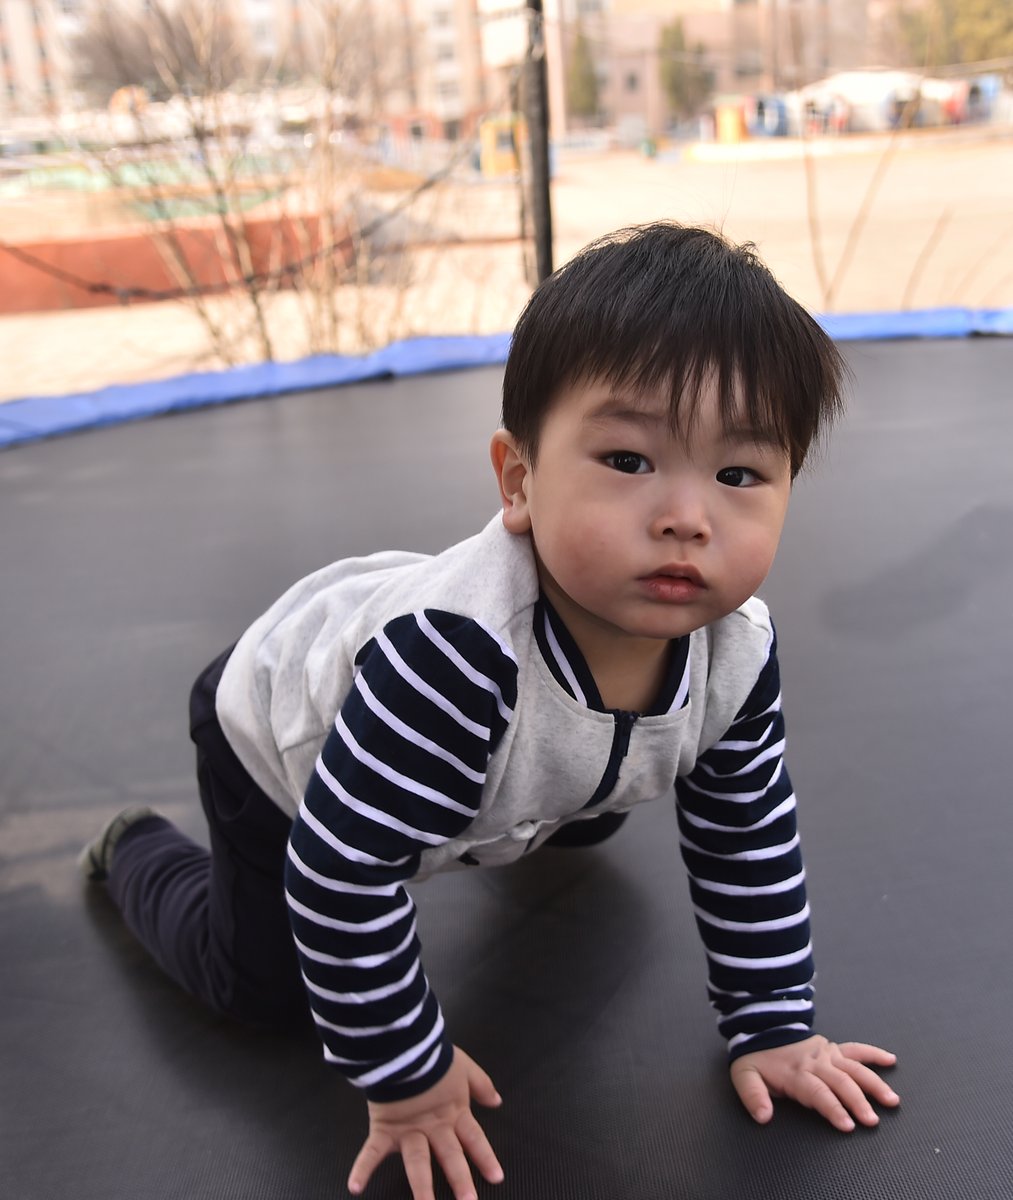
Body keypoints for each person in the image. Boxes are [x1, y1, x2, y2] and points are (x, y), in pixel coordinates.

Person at [81, 222, 900, 1200]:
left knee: (585, 793)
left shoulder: (736, 650)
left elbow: (743, 833)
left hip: (498, 742)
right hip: (281, 734)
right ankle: (132, 849)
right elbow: (340, 880)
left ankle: (541, 802)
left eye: (737, 475)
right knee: (264, 991)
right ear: (518, 481)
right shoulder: (450, 662)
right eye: (629, 461)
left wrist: (771, 1020)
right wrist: (410, 1082)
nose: (687, 514)